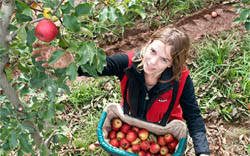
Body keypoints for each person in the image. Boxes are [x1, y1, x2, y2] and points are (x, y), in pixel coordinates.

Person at [33, 27, 210, 156]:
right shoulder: (128, 63)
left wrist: (202, 151)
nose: (153, 62)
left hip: (165, 130)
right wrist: (70, 63)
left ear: (172, 63)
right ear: (147, 44)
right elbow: (99, 67)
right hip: (130, 123)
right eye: (153, 51)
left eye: (163, 59)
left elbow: (193, 115)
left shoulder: (181, 79)